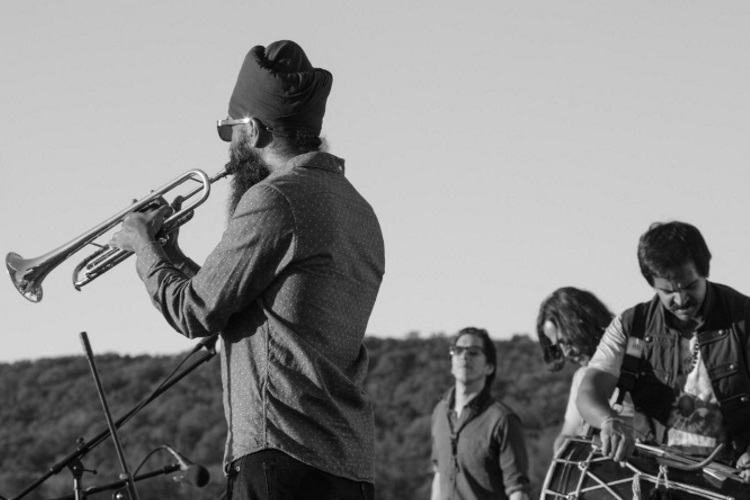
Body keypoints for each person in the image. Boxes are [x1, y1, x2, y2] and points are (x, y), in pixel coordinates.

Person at [111, 40, 385, 500]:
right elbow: (247, 306)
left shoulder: (275, 198)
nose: (229, 142)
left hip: (282, 452)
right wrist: (171, 254)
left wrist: (142, 247)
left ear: (254, 131)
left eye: (228, 129)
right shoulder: (357, 208)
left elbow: (194, 311)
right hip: (348, 465)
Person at [576, 221, 750, 483]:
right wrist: (609, 422)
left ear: (704, 270)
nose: (680, 300)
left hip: (734, 477)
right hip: (654, 476)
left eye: (690, 286)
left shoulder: (744, 317)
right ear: (652, 283)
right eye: (668, 291)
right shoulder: (631, 325)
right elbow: (589, 391)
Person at [431, 327, 531, 500]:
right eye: (458, 350)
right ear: (451, 363)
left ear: (489, 367)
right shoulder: (440, 411)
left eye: (474, 352)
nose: (464, 356)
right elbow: (439, 474)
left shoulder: (503, 419)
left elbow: (518, 491)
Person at [537, 287, 632, 452]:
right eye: (557, 346)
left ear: (585, 323)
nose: (566, 353)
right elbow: (568, 434)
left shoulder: (636, 359)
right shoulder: (581, 376)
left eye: (567, 341)